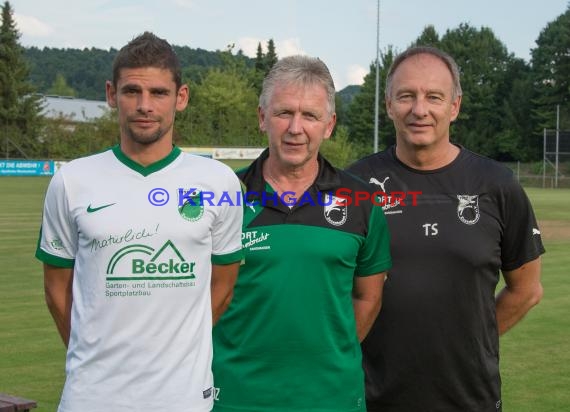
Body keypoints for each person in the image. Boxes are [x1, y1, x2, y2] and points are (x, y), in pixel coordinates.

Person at [35, 32, 243, 412]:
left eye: (159, 93)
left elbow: (223, 288)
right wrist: (93, 356)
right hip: (91, 397)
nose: (145, 105)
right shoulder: (71, 181)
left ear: (181, 98)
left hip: (183, 399)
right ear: (112, 94)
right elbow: (56, 290)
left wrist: (178, 349)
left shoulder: (218, 182)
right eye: (132, 91)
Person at [347, 46, 545, 412]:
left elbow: (527, 290)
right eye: (406, 96)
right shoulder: (355, 184)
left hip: (470, 399)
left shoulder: (497, 185)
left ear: (454, 106)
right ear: (389, 105)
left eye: (433, 97)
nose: (419, 109)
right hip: (370, 399)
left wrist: (475, 343)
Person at [211, 55, 392, 412]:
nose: (296, 128)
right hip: (234, 397)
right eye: (283, 113)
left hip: (331, 398)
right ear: (263, 118)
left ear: (329, 125)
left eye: (310, 115)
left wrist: (328, 354)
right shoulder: (223, 195)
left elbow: (368, 298)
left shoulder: (362, 201)